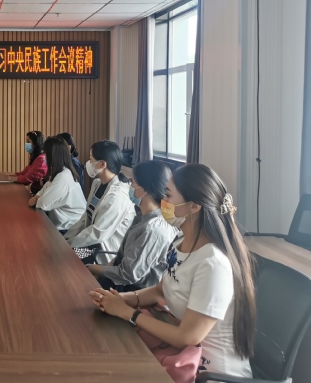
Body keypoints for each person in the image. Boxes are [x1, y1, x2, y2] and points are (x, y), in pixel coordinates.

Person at [89, 164, 256, 378]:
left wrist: (127, 312)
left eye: (168, 195)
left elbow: (187, 337)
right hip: (179, 356)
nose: (163, 201)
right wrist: (119, 299)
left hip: (207, 372)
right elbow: (161, 291)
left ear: (193, 206)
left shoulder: (213, 264)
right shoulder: (181, 242)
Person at [87, 160, 178, 290]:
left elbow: (128, 275)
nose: (130, 185)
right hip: (118, 277)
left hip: (132, 291)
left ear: (144, 190)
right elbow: (121, 259)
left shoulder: (153, 229)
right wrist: (102, 270)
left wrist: (92, 268)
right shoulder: (143, 215)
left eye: (133, 182)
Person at [63, 140, 134, 264]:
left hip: (103, 252)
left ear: (102, 164)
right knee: (57, 252)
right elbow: (85, 217)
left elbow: (97, 233)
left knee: (62, 259)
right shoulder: (97, 184)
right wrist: (66, 239)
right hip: (91, 244)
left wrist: (68, 245)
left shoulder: (117, 196)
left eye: (91, 159)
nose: (89, 163)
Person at [28, 136, 86, 232]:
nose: (44, 156)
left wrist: (37, 200)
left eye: (46, 153)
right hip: (64, 224)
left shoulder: (64, 176)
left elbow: (43, 204)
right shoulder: (61, 172)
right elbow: (45, 189)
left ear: (53, 155)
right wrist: (37, 197)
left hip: (70, 228)